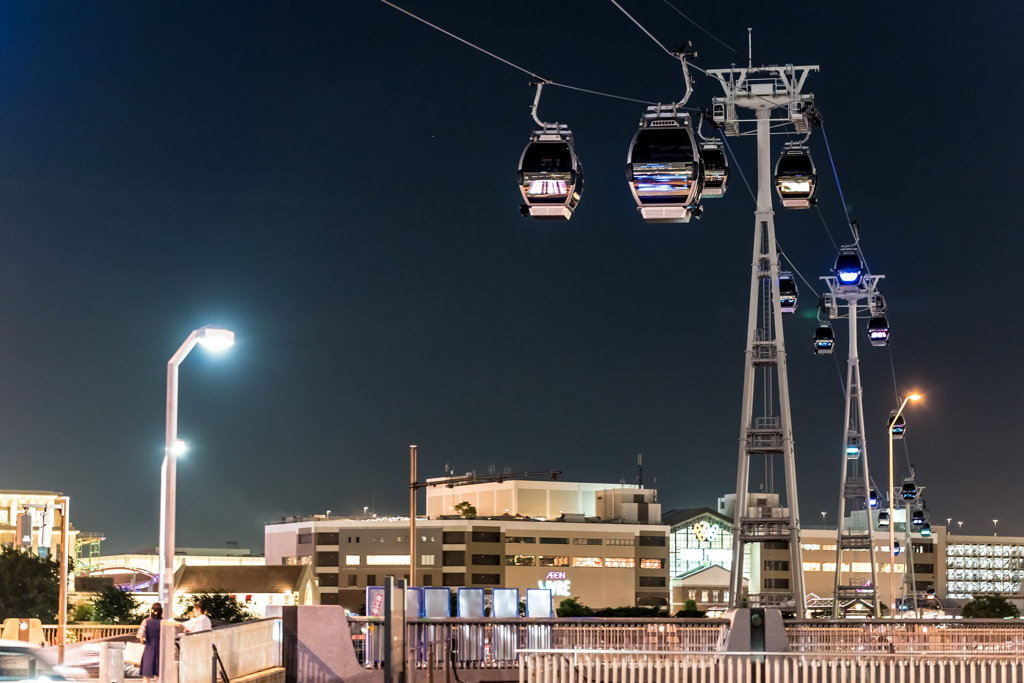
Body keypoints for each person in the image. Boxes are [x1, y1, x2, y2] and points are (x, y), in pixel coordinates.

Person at [138, 603, 163, 683]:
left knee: (146, 676)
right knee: (159, 676)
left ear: (151, 610)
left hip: (149, 648)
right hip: (160, 648)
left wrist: (142, 640)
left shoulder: (146, 621)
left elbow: (140, 635)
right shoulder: (163, 622)